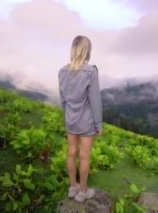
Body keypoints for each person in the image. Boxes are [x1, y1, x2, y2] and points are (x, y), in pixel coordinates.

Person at [58, 35, 103, 202]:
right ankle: (83, 192)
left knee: (71, 153)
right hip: (86, 122)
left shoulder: (62, 71)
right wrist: (99, 124)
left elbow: (63, 100)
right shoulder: (91, 71)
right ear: (87, 51)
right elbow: (95, 101)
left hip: (71, 120)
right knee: (84, 156)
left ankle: (72, 187)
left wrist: (67, 118)